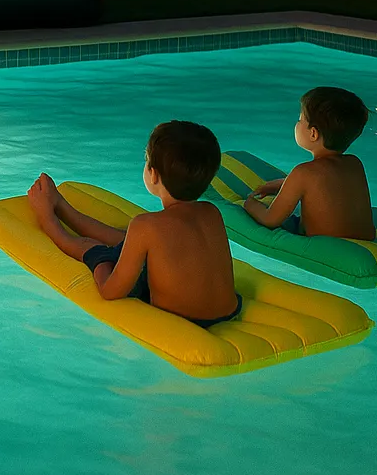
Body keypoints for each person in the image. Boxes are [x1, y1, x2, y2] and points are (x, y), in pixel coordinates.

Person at [27, 120, 242, 328]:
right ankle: (63, 207)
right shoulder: (211, 212)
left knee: (96, 250)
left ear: (154, 175)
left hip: (183, 321)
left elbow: (110, 292)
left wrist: (102, 263)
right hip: (228, 312)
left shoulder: (146, 225)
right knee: (132, 240)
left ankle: (48, 217)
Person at [244, 86, 374, 240]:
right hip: (365, 241)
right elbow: (328, 185)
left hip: (325, 249)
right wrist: (283, 184)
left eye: (300, 120)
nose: (297, 124)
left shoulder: (303, 172)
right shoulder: (354, 163)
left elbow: (270, 219)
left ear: (313, 133)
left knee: (290, 222)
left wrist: (249, 204)